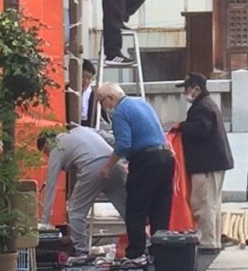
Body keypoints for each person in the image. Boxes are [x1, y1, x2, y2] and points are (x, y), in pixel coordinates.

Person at [97, 82, 174, 266]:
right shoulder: (142, 103)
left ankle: (136, 254)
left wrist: (108, 166)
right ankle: (160, 252)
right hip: (166, 157)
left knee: (135, 209)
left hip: (146, 160)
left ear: (110, 98)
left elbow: (124, 144)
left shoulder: (120, 112)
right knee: (160, 209)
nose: (102, 106)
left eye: (101, 101)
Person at [38, 126, 127, 258]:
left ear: (47, 143)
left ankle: (81, 252)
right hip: (114, 163)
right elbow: (109, 138)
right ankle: (142, 242)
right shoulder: (80, 130)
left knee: (75, 212)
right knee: (127, 209)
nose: (47, 155)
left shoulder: (56, 147)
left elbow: (51, 184)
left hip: (93, 168)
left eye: (46, 152)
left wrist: (44, 222)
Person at [175, 73, 234, 254]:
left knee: (204, 203)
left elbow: (201, 129)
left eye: (187, 88)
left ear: (197, 88)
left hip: (207, 164)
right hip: (213, 163)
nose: (185, 92)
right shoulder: (207, 104)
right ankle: (212, 240)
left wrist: (181, 126)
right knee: (212, 204)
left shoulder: (202, 107)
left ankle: (208, 242)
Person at [80, 59, 97, 127]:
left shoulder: (92, 94)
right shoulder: (66, 91)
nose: (86, 81)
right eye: (83, 76)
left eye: (89, 78)